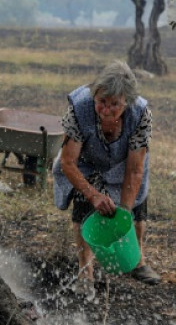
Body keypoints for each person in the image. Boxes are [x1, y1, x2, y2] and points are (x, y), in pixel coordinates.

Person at [52, 60, 160, 294]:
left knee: (137, 209)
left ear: (127, 103)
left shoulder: (140, 114)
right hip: (86, 162)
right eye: (101, 102)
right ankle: (85, 272)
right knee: (83, 211)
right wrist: (93, 195)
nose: (106, 110)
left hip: (124, 162)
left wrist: (123, 213)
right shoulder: (79, 109)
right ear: (94, 95)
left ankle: (137, 261)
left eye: (115, 105)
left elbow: (134, 170)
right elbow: (69, 162)